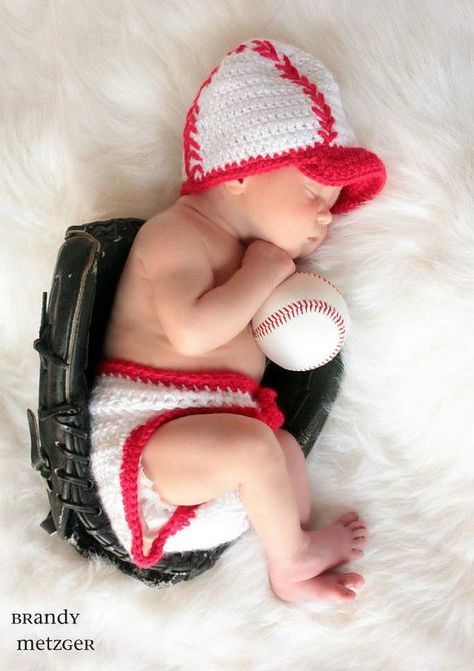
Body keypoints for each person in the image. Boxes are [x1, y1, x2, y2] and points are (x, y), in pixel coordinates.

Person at [88, 38, 386, 602]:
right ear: (240, 174)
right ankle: (294, 561)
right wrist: (259, 273)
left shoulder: (256, 258)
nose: (325, 216)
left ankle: (289, 553)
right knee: (254, 446)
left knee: (281, 448)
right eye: (313, 191)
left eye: (332, 199)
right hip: (144, 448)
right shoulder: (175, 236)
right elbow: (192, 332)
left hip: (209, 443)